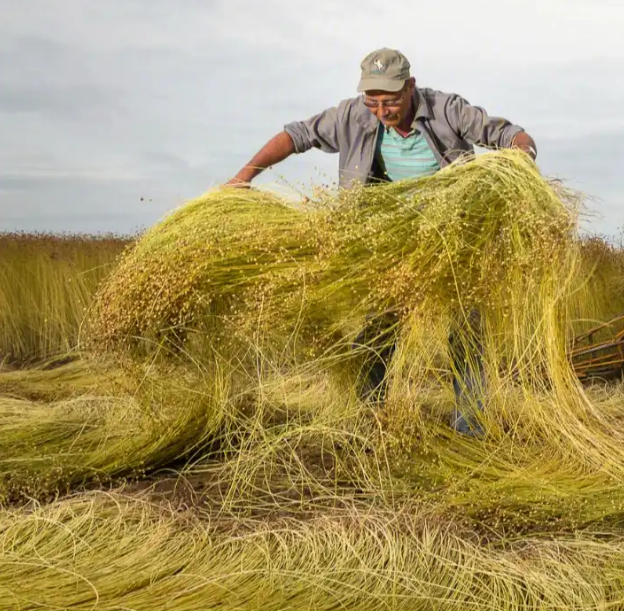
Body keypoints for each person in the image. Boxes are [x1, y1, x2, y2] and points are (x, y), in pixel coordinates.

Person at [225, 48, 537, 436]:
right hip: (388, 241)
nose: (382, 110)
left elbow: (509, 135)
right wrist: (243, 177)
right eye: (373, 101)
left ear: (411, 87)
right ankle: (370, 421)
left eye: (390, 100)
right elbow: (296, 135)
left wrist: (521, 162)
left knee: (465, 328)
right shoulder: (352, 115)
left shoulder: (447, 110)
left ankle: (471, 427)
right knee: (380, 329)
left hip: (452, 239)